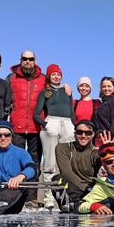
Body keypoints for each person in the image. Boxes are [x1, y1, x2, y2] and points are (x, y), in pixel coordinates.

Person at [34, 64, 75, 209]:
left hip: (67, 125)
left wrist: (73, 126)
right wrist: (46, 125)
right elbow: (36, 114)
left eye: (58, 74)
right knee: (49, 163)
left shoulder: (67, 91)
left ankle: (68, 196)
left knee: (67, 163)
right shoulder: (45, 92)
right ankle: (49, 198)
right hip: (51, 123)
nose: (56, 77)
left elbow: (71, 112)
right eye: (53, 74)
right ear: (49, 76)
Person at [6, 49, 46, 161]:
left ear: (35, 61)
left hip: (37, 126)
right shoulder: (11, 78)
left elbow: (54, 92)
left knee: (35, 159)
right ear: (20, 61)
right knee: (16, 158)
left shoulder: (44, 79)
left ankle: (33, 178)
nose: (27, 61)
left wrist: (65, 87)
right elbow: (6, 101)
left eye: (30, 59)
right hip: (17, 126)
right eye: (24, 59)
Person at [55, 119, 101, 204]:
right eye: (80, 132)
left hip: (92, 189)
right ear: (74, 133)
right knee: (58, 179)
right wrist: (86, 188)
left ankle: (81, 204)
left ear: (93, 135)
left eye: (88, 133)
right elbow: (67, 173)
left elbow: (107, 170)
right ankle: (73, 204)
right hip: (75, 188)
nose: (83, 136)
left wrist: (106, 153)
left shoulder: (96, 152)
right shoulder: (63, 148)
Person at [95, 76, 114, 147]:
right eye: (104, 86)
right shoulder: (102, 103)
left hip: (111, 138)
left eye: (109, 86)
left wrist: (110, 142)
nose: (106, 88)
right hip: (102, 137)